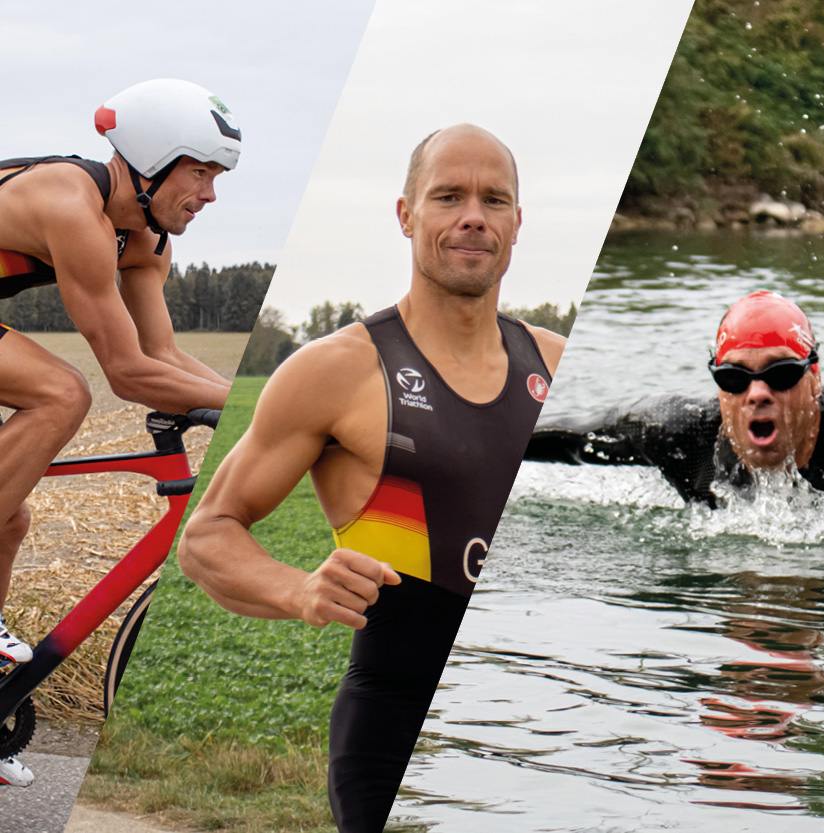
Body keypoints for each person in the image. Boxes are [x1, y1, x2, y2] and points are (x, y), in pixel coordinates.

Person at [178, 124, 565, 832]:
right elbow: (205, 536)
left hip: (541, 725)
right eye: (448, 196)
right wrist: (298, 589)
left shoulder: (558, 364)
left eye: (494, 199)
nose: (472, 215)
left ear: (516, 222)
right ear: (406, 214)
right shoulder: (336, 370)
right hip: (397, 733)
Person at [0, 78, 241, 786]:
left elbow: (163, 354)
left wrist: (240, 399)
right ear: (150, 159)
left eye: (217, 177)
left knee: (8, 514)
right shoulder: (70, 205)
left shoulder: (146, 242)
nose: (210, 194)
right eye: (200, 172)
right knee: (58, 392)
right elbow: (128, 373)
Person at [525, 290, 824, 506]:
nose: (758, 394)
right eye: (734, 378)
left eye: (781, 374)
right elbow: (563, 436)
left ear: (814, 377)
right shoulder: (680, 434)